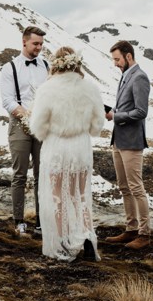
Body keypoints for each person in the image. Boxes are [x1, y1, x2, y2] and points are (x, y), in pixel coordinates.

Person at [25, 46, 105, 262]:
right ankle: (87, 237)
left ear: (55, 64)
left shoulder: (48, 89)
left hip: (58, 146)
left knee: (58, 196)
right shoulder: (90, 88)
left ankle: (64, 242)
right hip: (81, 146)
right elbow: (98, 125)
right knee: (80, 195)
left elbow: (38, 127)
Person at [0, 25, 49, 236]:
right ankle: (19, 220)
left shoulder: (46, 65)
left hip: (42, 127)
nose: (39, 47)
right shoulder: (9, 68)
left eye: (41, 44)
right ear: (24, 42)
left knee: (42, 175)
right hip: (19, 125)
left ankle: (41, 222)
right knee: (20, 174)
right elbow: (8, 101)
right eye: (35, 43)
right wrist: (28, 116)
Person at [103, 40, 152, 250]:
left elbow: (141, 112)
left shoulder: (140, 77)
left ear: (128, 56)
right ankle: (130, 229)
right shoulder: (125, 76)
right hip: (119, 139)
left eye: (117, 59)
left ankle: (145, 233)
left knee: (136, 187)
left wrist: (116, 115)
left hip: (132, 141)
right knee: (124, 187)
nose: (115, 63)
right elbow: (125, 107)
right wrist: (112, 113)